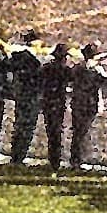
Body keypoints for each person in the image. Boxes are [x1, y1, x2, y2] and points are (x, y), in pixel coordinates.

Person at [5, 32, 45, 163]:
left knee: (20, 125)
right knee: (26, 127)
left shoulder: (17, 57)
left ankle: (16, 155)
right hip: (31, 97)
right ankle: (19, 156)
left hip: (21, 96)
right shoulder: (33, 61)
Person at [38, 43, 76, 171]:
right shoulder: (65, 70)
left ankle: (53, 158)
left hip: (48, 101)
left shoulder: (46, 68)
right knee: (56, 130)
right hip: (58, 101)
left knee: (51, 130)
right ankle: (55, 160)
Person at [68, 45, 107, 170]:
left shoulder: (77, 68)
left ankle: (75, 159)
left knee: (77, 131)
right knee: (84, 131)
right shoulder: (96, 69)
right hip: (90, 103)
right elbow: (105, 83)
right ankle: (80, 159)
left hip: (77, 101)